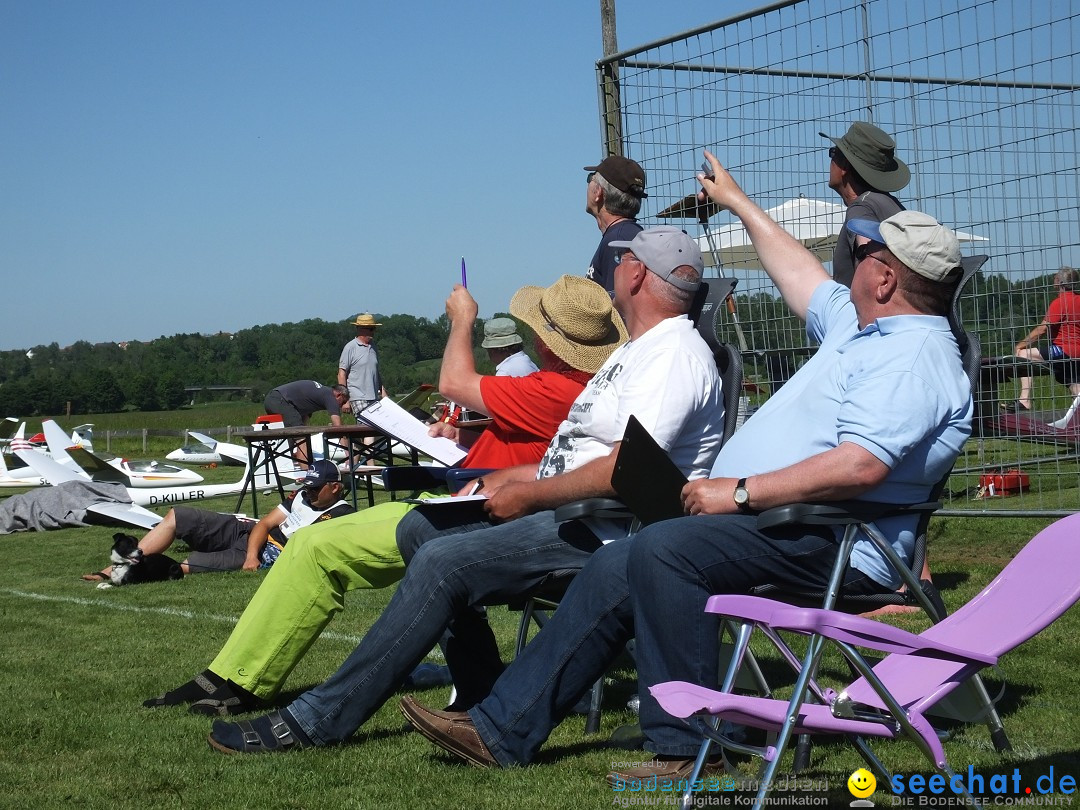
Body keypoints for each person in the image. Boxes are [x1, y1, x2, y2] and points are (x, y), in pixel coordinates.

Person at [399, 153, 973, 783]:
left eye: (865, 253)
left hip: (839, 539)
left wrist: (744, 492)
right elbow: (800, 273)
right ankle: (500, 729)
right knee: (624, 558)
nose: (853, 261)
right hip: (793, 523)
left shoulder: (915, 357)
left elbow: (861, 466)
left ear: (886, 277)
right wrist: (739, 203)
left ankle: (688, 748)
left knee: (663, 550)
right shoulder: (864, 329)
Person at [203, 226, 725, 753]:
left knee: (441, 562)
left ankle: (317, 720)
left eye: (623, 260)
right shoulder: (636, 353)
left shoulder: (672, 356)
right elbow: (583, 458)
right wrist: (510, 478)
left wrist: (529, 495)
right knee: (420, 528)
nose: (615, 267)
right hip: (572, 512)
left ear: (635, 273)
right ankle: (481, 689)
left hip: (603, 531)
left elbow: (624, 471)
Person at [143, 276, 625, 716]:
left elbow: (453, 382)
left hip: (480, 515)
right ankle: (229, 675)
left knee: (315, 547)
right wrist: (462, 435)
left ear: (546, 340)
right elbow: (526, 441)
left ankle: (238, 681)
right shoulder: (574, 389)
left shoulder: (555, 387)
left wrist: (461, 321)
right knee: (312, 545)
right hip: (469, 502)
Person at [83, 461, 352, 582]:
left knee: (181, 568)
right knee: (178, 516)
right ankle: (115, 566)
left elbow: (306, 547)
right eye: (308, 486)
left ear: (336, 487)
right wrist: (250, 555)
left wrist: (253, 557)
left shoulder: (341, 514)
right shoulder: (302, 496)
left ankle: (126, 575)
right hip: (248, 533)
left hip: (271, 553)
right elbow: (264, 523)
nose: (309, 491)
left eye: (315, 488)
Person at [822, 121, 909, 287]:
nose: (830, 161)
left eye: (833, 153)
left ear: (845, 165)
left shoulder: (861, 208)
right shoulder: (891, 205)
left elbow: (872, 267)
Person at [1004, 266, 1080, 412]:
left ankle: (1024, 400)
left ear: (1059, 282)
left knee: (1024, 354)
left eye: (1055, 277)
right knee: (1075, 384)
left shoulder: (1060, 302)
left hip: (1063, 350)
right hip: (1078, 353)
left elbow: (1042, 329)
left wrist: (1020, 345)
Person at [584, 155, 646, 293]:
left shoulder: (618, 241)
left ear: (598, 192)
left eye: (590, 178)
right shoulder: (626, 234)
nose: (587, 184)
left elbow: (620, 309)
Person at [263, 380, 349, 467]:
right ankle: (306, 474)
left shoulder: (313, 398)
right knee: (301, 437)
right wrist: (348, 454)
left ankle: (284, 463)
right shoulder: (330, 396)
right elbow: (338, 428)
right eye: (343, 402)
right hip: (280, 399)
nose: (341, 406)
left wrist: (300, 450)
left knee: (298, 435)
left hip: (273, 398)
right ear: (339, 395)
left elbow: (303, 422)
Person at [338, 313, 387, 418]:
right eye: (371, 329)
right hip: (357, 397)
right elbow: (341, 374)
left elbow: (375, 373)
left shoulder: (374, 347)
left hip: (374, 397)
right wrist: (345, 400)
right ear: (360, 329)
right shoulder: (350, 347)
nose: (373, 332)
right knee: (366, 425)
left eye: (374, 329)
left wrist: (383, 392)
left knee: (376, 429)